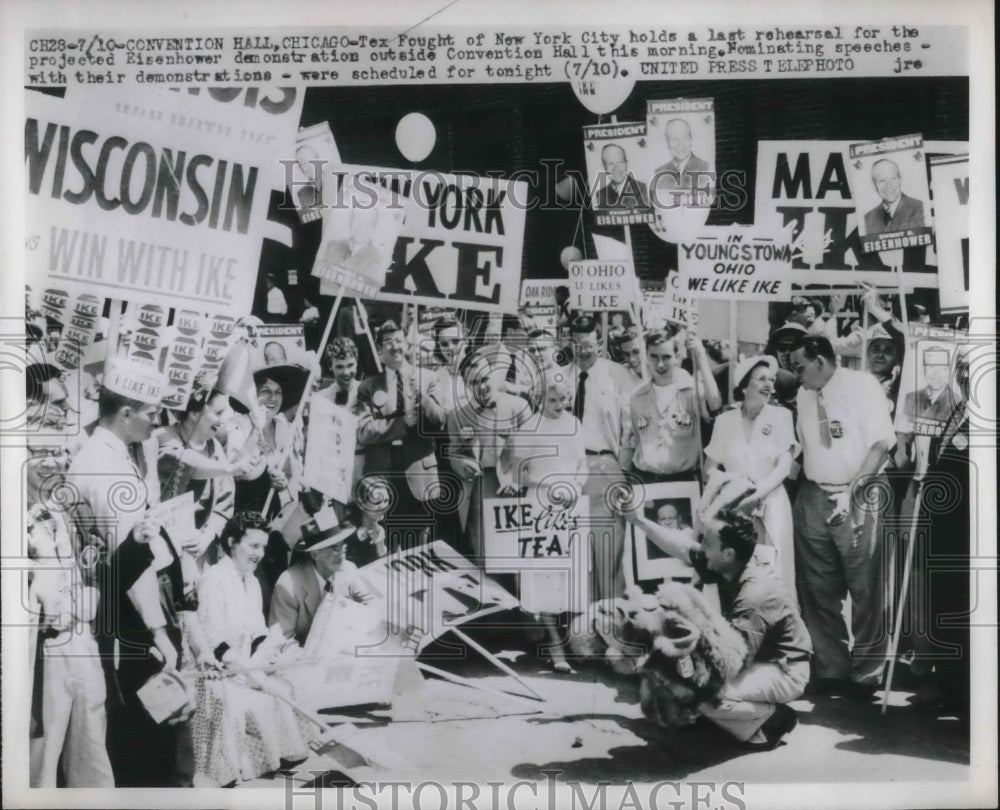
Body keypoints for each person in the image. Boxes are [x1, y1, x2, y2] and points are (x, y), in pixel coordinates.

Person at [788, 335, 896, 698]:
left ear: (820, 361)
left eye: (800, 366)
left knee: (866, 587)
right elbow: (804, 447)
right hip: (814, 493)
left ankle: (867, 673)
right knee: (818, 588)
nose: (795, 374)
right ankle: (831, 667)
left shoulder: (862, 385)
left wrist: (853, 495)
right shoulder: (804, 394)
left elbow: (881, 444)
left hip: (859, 491)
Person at [192, 512, 312, 786]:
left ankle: (278, 757)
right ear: (233, 542)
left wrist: (270, 655)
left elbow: (257, 631)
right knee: (253, 697)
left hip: (249, 665)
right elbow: (213, 639)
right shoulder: (213, 578)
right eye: (253, 546)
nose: (260, 553)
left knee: (288, 685)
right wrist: (245, 670)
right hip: (219, 670)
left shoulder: (253, 581)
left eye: (264, 547)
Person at [27, 440, 114, 788]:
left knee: (92, 737)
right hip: (41, 648)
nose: (52, 461)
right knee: (41, 754)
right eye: (39, 452)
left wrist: (89, 588)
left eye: (59, 450)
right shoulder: (13, 508)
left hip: (80, 638)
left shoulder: (71, 504)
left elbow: (95, 551)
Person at [502, 371, 589, 673]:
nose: (558, 404)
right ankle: (553, 645)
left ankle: (570, 641)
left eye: (564, 399)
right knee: (546, 577)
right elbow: (518, 474)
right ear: (540, 399)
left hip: (571, 506)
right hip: (540, 506)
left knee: (570, 576)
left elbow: (582, 465)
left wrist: (575, 486)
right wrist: (550, 485)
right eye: (552, 399)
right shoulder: (530, 427)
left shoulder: (575, 425)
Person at [704, 356, 799, 600]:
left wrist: (757, 495)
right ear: (745, 386)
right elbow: (710, 468)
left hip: (771, 506)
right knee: (738, 574)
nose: (770, 385)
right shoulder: (725, 422)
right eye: (762, 379)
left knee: (775, 574)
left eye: (772, 380)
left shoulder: (781, 417)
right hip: (734, 508)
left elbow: (783, 466)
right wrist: (734, 489)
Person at [355, 320, 440, 551]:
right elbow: (363, 432)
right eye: (388, 343)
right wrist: (401, 424)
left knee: (422, 545)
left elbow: (439, 423)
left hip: (418, 472)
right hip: (384, 475)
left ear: (408, 346)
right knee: (387, 545)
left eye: (399, 341)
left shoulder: (428, 378)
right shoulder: (368, 387)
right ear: (380, 352)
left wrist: (421, 396)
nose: (395, 347)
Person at [567, 315, 633, 600]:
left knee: (608, 553)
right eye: (578, 344)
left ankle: (613, 623)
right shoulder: (561, 375)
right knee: (576, 555)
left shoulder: (616, 375)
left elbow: (631, 426)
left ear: (600, 342)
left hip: (604, 465)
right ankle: (587, 625)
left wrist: (624, 471)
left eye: (589, 344)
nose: (583, 350)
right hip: (568, 471)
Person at [448, 352, 533, 560]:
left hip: (513, 488)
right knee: (484, 555)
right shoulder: (457, 415)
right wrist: (463, 464)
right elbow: (453, 452)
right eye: (474, 382)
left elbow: (535, 450)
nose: (482, 387)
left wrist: (518, 481)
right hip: (479, 489)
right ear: (466, 385)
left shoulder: (518, 406)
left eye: (485, 379)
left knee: (517, 554)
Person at [623, 330, 722, 485]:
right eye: (654, 357)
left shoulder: (692, 390)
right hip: (645, 481)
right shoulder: (636, 396)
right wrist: (622, 482)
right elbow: (630, 444)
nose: (660, 364)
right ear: (646, 357)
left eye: (666, 357)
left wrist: (701, 357)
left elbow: (714, 405)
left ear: (677, 357)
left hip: (683, 481)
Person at [269, 508, 371, 645]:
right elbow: (280, 641)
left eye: (342, 546)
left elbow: (371, 605)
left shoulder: (348, 569)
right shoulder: (287, 585)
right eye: (335, 548)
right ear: (315, 554)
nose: (341, 553)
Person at [650, 118, 712, 207]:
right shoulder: (659, 173)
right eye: (674, 139)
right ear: (667, 142)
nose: (680, 144)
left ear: (691, 140)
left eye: (685, 138)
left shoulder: (706, 168)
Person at [863, 158, 926, 235]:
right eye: (882, 180)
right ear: (874, 185)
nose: (888, 186)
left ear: (900, 179)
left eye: (893, 179)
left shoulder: (920, 208)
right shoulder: (869, 218)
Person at [593, 143, 650, 210]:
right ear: (603, 167)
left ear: (626, 164)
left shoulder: (643, 189)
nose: (616, 168)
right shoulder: (600, 194)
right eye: (610, 163)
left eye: (621, 162)